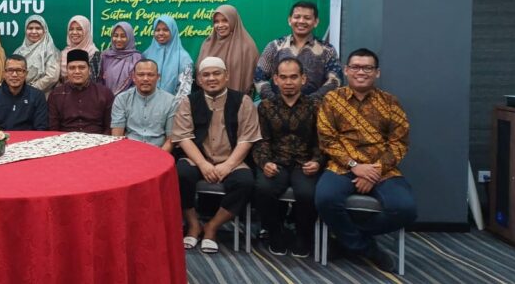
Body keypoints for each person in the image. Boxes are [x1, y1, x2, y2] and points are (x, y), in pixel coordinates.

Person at [314, 48, 416, 273]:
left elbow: (400, 142)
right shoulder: (332, 100)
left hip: (382, 168)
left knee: (405, 209)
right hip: (342, 166)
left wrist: (375, 170)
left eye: (367, 68)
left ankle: (346, 239)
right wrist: (355, 166)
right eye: (356, 67)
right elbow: (327, 139)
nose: (361, 72)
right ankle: (366, 248)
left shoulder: (390, 102)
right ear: (346, 70)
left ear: (377, 72)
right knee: (325, 199)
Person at [172, 57, 261, 254]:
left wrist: (227, 165)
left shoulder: (243, 101)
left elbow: (247, 139)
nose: (211, 78)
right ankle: (193, 224)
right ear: (199, 80)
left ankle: (212, 227)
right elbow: (184, 137)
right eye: (206, 75)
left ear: (226, 76)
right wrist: (203, 164)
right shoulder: (189, 102)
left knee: (245, 182)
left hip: (232, 159)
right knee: (180, 174)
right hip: (198, 158)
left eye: (216, 73)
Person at [253, 57, 323, 257]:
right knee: (263, 189)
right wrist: (265, 162)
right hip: (276, 162)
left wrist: (317, 162)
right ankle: (276, 233)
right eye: (283, 77)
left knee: (308, 194)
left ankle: (303, 236)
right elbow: (261, 140)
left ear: (303, 79)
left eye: (293, 77)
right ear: (275, 79)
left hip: (305, 163)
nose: (288, 82)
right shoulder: (266, 106)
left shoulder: (316, 106)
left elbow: (322, 141)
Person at [254, 1, 342, 100]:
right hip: (277, 108)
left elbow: (335, 80)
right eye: (297, 17)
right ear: (289, 20)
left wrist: (311, 102)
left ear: (316, 22)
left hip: (316, 107)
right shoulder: (274, 47)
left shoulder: (327, 50)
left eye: (307, 18)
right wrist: (274, 101)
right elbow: (259, 77)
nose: (301, 21)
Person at [110, 59, 177, 150]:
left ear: (158, 77)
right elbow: (117, 136)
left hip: (158, 151)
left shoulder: (171, 101)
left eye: (150, 75)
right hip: (128, 151)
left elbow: (170, 139)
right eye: (141, 75)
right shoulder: (122, 99)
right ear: (133, 77)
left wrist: (159, 157)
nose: (145, 79)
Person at [48, 49, 114, 134]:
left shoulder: (105, 93)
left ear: (89, 70)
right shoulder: (56, 94)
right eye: (72, 68)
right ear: (67, 70)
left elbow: (109, 127)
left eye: (82, 67)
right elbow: (53, 128)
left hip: (97, 139)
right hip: (65, 140)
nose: (77, 72)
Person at [197, 5, 259, 96]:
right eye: (216, 21)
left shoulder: (247, 46)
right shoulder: (208, 44)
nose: (220, 25)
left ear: (233, 20)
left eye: (225, 20)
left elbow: (251, 80)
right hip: (208, 99)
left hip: (238, 100)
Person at [0, 54, 49, 130]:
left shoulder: (37, 96)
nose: (14, 75)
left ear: (26, 73)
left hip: (29, 137)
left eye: (19, 70)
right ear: (4, 74)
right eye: (10, 70)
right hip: (1, 137)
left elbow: (41, 128)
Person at [143, 15, 193, 98]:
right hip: (146, 103)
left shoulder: (184, 58)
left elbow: (185, 90)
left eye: (165, 30)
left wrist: (172, 105)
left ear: (173, 31)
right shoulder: (146, 55)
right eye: (157, 30)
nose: (161, 33)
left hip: (174, 104)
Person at [13, 15, 60, 95]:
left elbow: (52, 77)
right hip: (19, 94)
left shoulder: (51, 51)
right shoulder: (19, 51)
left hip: (43, 96)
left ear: (44, 30)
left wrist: (31, 89)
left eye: (38, 28)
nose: (34, 32)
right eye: (30, 28)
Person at [100, 22, 143, 94]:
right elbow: (99, 82)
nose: (118, 39)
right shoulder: (105, 56)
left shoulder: (137, 58)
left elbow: (139, 83)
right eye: (115, 35)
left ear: (129, 37)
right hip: (106, 98)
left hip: (130, 98)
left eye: (123, 36)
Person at [60, 15, 100, 82]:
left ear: (86, 31)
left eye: (79, 29)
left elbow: (95, 81)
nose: (74, 32)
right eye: (71, 29)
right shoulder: (63, 54)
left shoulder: (94, 54)